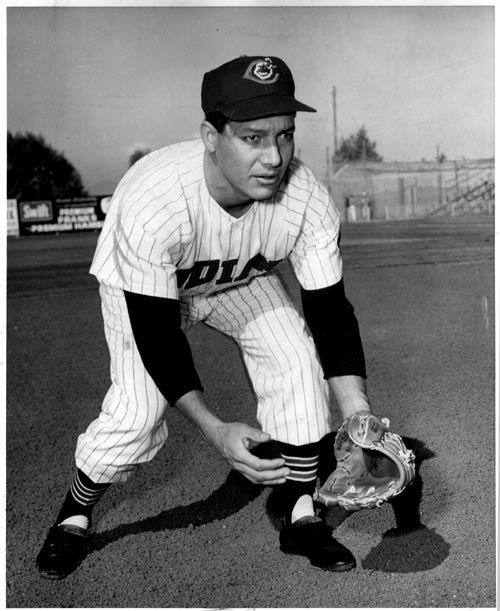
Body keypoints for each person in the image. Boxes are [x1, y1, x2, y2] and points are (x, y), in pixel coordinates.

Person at [36, 55, 372, 579]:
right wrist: (215, 430)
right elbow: (158, 336)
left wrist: (357, 413)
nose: (274, 157)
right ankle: (74, 514)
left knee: (295, 358)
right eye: (252, 137)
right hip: (146, 291)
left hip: (238, 278)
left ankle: (300, 512)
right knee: (137, 413)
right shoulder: (156, 201)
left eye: (284, 135)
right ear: (210, 137)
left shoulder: (305, 197)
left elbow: (329, 310)